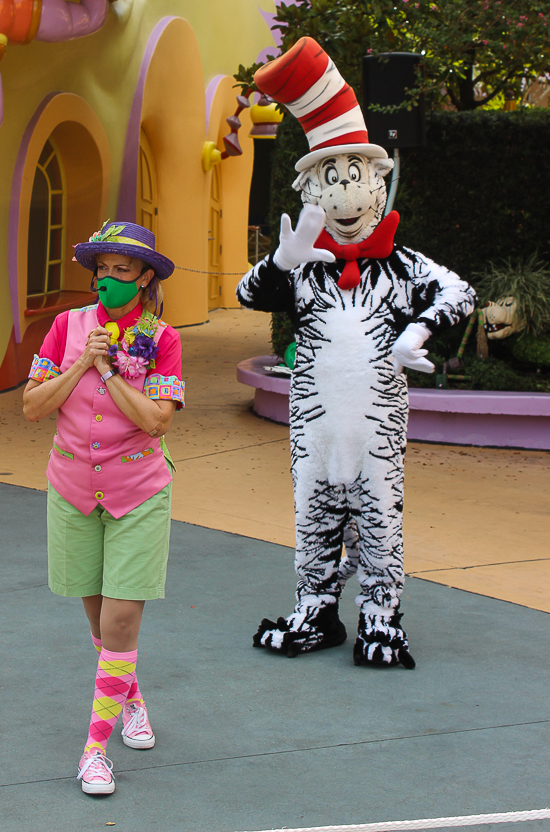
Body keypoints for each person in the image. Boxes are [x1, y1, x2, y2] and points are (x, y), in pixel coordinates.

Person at [23, 221, 185, 795]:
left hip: (137, 489)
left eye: (123, 269)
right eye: (102, 269)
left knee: (121, 619)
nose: (109, 279)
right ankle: (131, 697)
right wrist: (79, 363)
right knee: (98, 619)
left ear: (144, 278)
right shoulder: (65, 327)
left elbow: (158, 420)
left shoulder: (160, 337)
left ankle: (94, 751)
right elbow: (33, 407)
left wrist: (110, 369)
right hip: (71, 486)